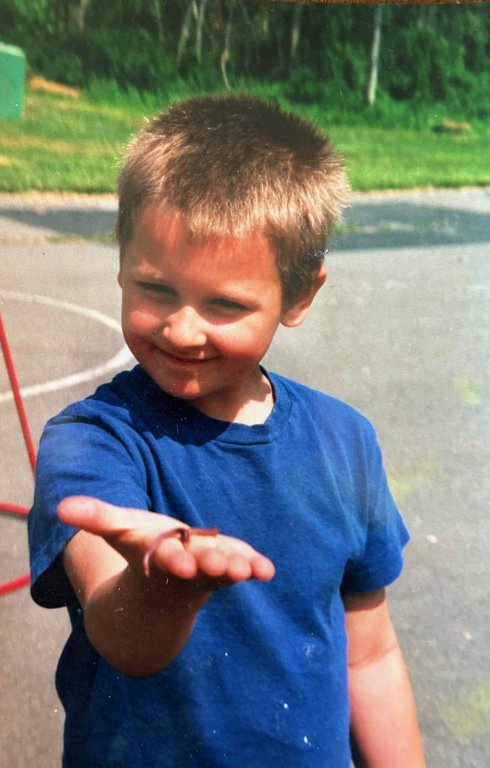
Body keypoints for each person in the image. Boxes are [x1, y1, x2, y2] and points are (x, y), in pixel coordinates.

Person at [28, 95, 425, 768]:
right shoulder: (92, 441)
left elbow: (372, 654)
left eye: (224, 304)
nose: (182, 330)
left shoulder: (345, 441)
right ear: (121, 263)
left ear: (299, 296)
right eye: (155, 288)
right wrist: (160, 588)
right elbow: (119, 631)